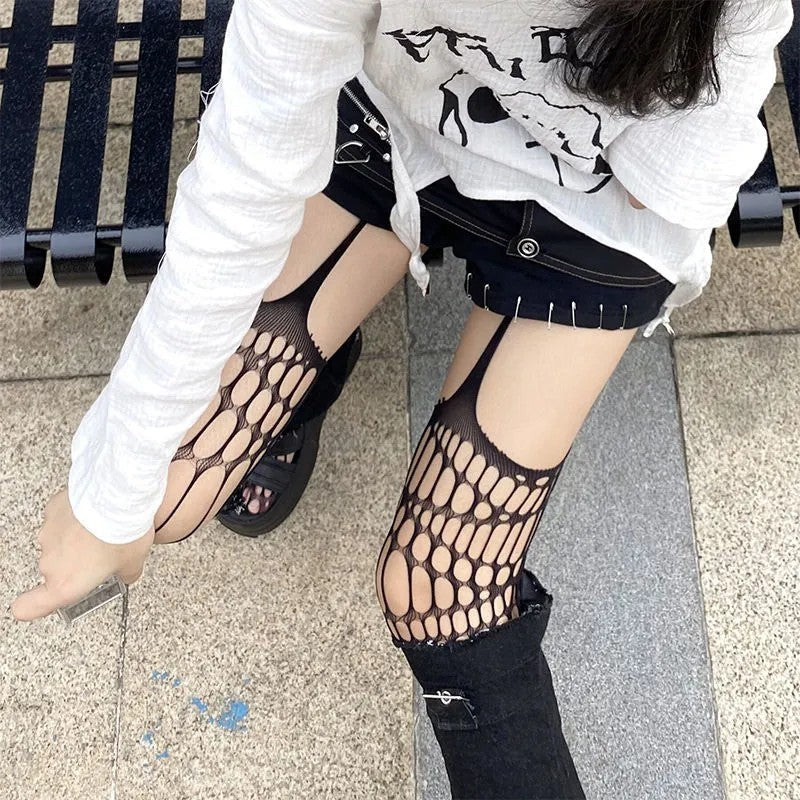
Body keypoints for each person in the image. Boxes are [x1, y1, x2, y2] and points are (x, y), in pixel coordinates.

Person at [10, 0, 794, 796]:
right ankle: (314, 363)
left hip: (596, 190)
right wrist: (113, 492)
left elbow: (681, 162)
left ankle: (313, 351)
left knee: (443, 590)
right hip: (389, 111)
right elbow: (242, 182)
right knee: (172, 485)